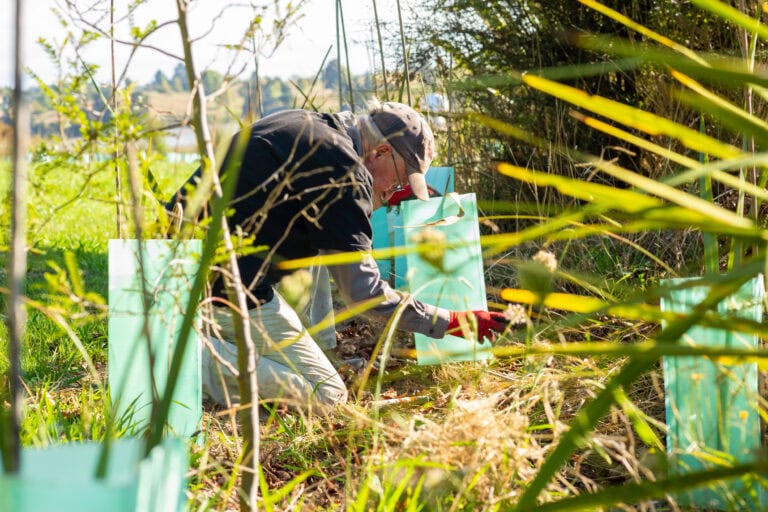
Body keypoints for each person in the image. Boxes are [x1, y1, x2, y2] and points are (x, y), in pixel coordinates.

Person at [167, 100, 508, 409]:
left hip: (175, 266)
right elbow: (365, 295)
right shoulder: (344, 173)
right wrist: (450, 321)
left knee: (319, 262)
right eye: (400, 178)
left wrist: (372, 199)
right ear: (380, 151)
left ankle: (215, 339)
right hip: (218, 293)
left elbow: (335, 232)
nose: (395, 189)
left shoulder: (307, 124)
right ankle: (183, 355)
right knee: (328, 396)